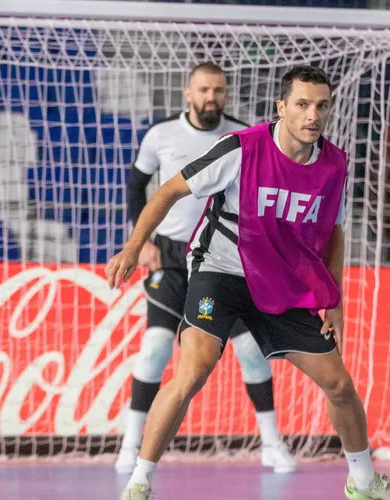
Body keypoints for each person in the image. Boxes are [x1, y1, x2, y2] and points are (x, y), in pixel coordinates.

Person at [107, 65, 390, 500]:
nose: (313, 115)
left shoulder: (334, 165)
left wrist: (334, 299)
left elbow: (332, 233)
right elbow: (165, 192)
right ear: (282, 107)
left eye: (321, 106)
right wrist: (133, 244)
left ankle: (364, 481)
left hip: (281, 282)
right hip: (220, 272)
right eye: (302, 104)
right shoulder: (240, 148)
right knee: (193, 370)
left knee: (339, 385)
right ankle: (139, 481)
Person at [117, 61, 295, 475]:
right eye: (203, 90)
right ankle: (130, 445)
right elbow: (136, 186)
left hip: (221, 261)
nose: (210, 97)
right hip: (172, 258)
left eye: (218, 90)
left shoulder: (243, 136)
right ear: (187, 92)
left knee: (251, 351)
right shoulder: (160, 134)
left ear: (226, 93)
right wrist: (139, 242)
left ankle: (271, 444)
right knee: (156, 349)